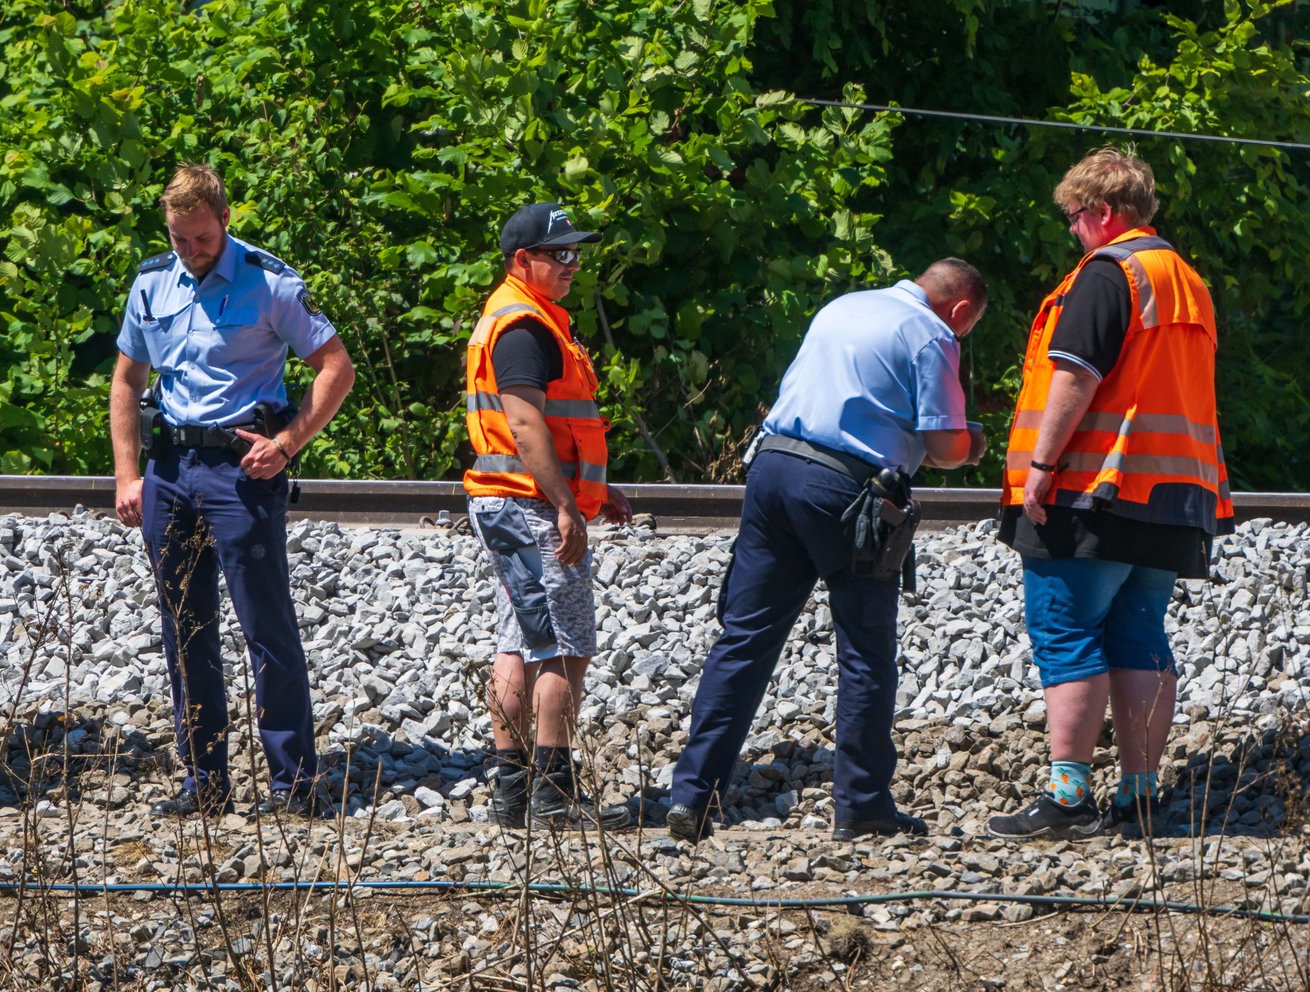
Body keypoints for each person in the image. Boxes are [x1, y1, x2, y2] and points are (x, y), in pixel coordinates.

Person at [664, 260, 990, 844]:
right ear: (961, 310)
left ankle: (691, 796)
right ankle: (863, 805)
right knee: (865, 649)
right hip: (846, 488)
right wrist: (974, 445)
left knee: (745, 636)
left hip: (772, 469)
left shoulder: (845, 305)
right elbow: (944, 446)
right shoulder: (932, 334)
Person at [985, 148, 1233, 840]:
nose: (1071, 231)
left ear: (1099, 212)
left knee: (1065, 633)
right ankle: (1140, 794)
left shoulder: (1108, 273)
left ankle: (1068, 797)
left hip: (1094, 490)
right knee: (1139, 635)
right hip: (1173, 493)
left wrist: (1041, 462)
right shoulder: (1187, 281)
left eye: (1073, 217)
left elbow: (1075, 376)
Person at [109, 164, 355, 819]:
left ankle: (293, 783)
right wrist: (126, 474)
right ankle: (206, 782)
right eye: (179, 239)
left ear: (224, 220)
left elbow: (335, 367)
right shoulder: (152, 282)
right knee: (185, 630)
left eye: (200, 239)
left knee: (265, 627)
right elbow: (127, 381)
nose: (190, 251)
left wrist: (289, 443)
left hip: (240, 472)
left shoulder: (271, 283)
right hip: (169, 469)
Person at [464, 202, 636, 831]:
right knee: (564, 649)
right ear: (522, 260)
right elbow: (525, 421)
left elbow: (554, 428)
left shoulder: (523, 319)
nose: (572, 264)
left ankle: (514, 797)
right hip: (528, 504)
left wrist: (594, 490)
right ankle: (552, 798)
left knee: (519, 641)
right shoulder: (525, 329)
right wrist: (566, 504)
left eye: (575, 253)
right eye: (558, 254)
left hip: (507, 498)